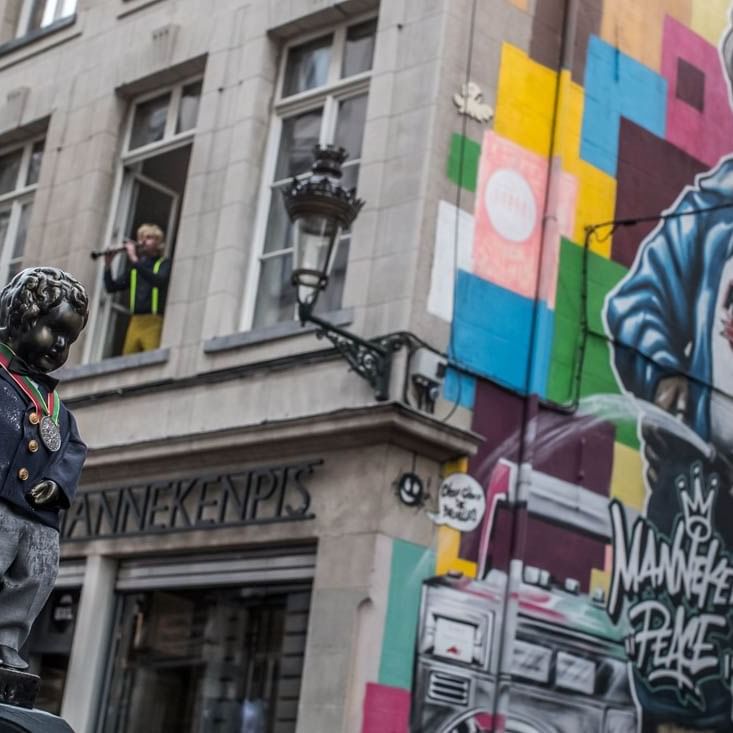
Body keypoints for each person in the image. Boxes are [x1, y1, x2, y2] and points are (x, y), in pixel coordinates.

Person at [0, 267, 88, 670]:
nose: (60, 345)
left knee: (36, 575)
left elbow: (72, 450)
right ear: (21, 319)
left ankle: (6, 643)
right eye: (54, 330)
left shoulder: (58, 409)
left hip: (38, 517)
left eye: (69, 339)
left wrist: (57, 483)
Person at [103, 223, 171, 355]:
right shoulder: (135, 268)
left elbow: (158, 281)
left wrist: (134, 259)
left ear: (158, 242)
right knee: (126, 360)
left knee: (152, 359)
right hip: (135, 321)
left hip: (153, 320)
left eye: (149, 237)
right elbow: (111, 287)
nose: (143, 241)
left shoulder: (163, 263)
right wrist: (107, 265)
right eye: (141, 238)